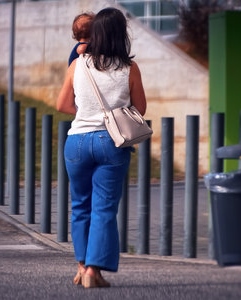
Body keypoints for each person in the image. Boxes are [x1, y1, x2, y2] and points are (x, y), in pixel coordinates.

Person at [56, 7, 147, 288]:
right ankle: (94, 271)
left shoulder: (78, 64)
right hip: (111, 142)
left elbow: (62, 105)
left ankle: (82, 266)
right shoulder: (129, 68)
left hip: (77, 141)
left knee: (80, 206)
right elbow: (140, 109)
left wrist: (86, 113)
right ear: (121, 35)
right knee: (104, 208)